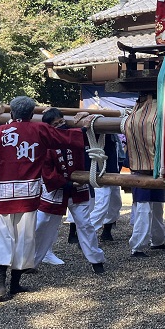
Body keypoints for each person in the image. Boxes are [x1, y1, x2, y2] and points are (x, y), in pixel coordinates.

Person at [0, 96, 88, 301]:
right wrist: (85, 129)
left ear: (12, 114)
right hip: (28, 194)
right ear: (32, 114)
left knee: (0, 237)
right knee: (24, 238)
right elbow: (66, 138)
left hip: (2, 194)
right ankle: (15, 284)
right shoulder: (40, 130)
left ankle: (0, 286)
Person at [32, 108, 105, 274]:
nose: (61, 126)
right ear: (49, 128)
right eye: (56, 125)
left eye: (62, 121)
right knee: (42, 224)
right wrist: (66, 184)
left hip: (78, 189)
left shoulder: (75, 134)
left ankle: (96, 260)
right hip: (56, 190)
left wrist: (86, 116)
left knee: (85, 224)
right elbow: (48, 173)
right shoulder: (45, 145)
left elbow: (88, 130)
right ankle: (31, 261)